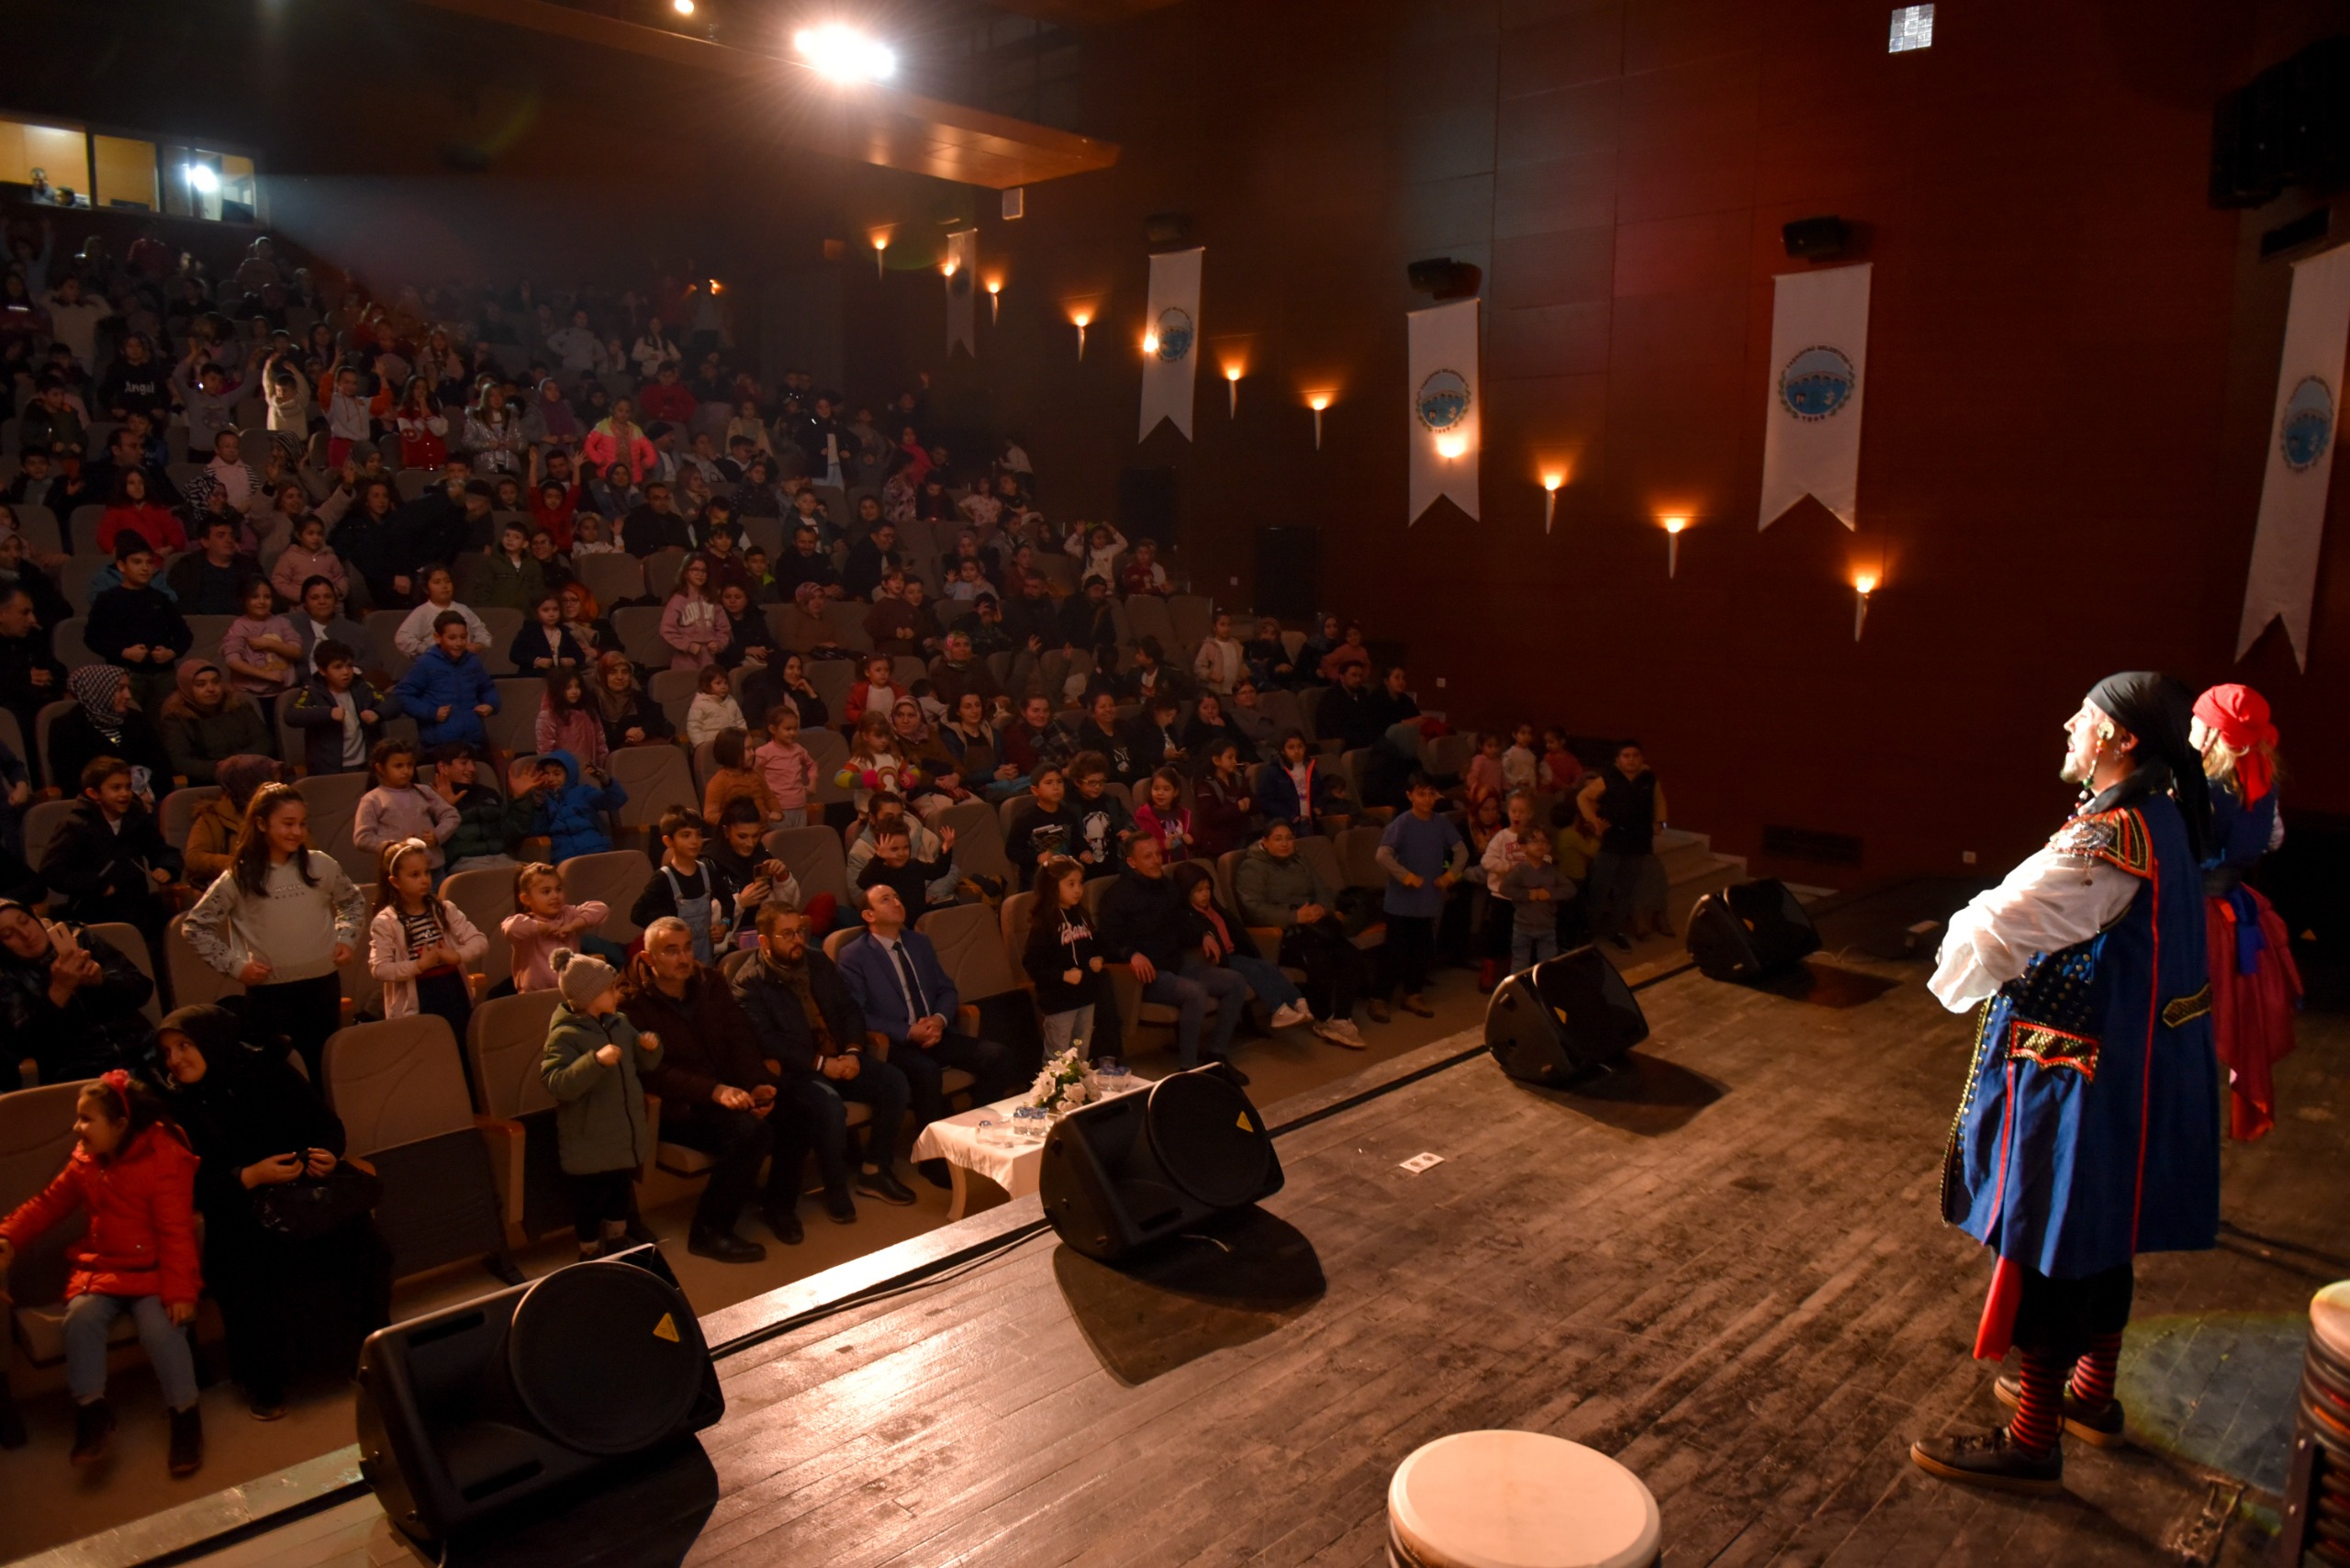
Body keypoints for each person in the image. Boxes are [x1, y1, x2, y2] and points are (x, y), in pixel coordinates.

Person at [1909, 673, 2220, 1495]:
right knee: (2102, 1239)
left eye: (2084, 717)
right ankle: (2091, 1396)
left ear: (2120, 740)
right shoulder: (2167, 821)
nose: (2067, 724)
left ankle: (2033, 1440)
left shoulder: (2107, 841)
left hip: (2078, 1079)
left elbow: (1997, 926)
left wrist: (1958, 946)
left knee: (2048, 1252)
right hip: (2135, 1074)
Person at [148, 1004, 390, 1421]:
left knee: (364, 1246)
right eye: (168, 1052)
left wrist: (326, 1156)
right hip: (239, 1208)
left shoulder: (268, 1073)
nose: (175, 1059)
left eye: (185, 1045)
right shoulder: (177, 1108)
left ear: (212, 1042)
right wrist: (249, 1176)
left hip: (305, 1195)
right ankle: (266, 1380)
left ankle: (365, 1355)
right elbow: (189, 1187)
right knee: (254, 1269)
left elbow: (328, 1127)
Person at [0, 1072, 205, 1475]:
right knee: (81, 1319)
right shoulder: (86, 1159)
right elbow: (47, 1205)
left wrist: (181, 1291)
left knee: (162, 1329)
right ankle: (92, 1412)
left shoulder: (164, 1160)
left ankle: (185, 1416)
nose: (76, 1128)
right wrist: (6, 1235)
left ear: (120, 1126)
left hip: (153, 1271)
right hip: (103, 1265)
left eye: (86, 1119)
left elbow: (176, 1231)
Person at [623, 917, 807, 1257]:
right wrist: (714, 1091)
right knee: (749, 1133)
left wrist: (758, 1084)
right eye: (671, 951)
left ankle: (778, 1206)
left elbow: (740, 1037)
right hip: (679, 1107)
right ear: (649, 958)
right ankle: (709, 1231)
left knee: (795, 1107)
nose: (683, 958)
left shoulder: (709, 983)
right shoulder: (632, 1003)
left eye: (688, 948)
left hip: (729, 1092)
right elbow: (653, 1074)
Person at [731, 901, 918, 1212]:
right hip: (796, 1072)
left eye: (801, 931)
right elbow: (767, 1041)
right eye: (787, 934)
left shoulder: (817, 962)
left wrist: (854, 1052)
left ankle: (874, 1169)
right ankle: (835, 1187)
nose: (798, 940)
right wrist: (821, 1064)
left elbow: (848, 1009)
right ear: (764, 941)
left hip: (839, 1056)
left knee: (894, 1081)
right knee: (828, 1105)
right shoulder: (749, 983)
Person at [182, 783, 364, 1079]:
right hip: (271, 995)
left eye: (302, 824)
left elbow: (353, 902)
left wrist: (346, 938)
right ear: (262, 824)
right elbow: (196, 927)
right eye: (288, 824)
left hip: (322, 985)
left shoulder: (321, 865)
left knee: (323, 1065)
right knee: (285, 1072)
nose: (296, 832)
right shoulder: (240, 876)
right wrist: (236, 966)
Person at [2189, 683, 2300, 1141]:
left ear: (2214, 734)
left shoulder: (2200, 789)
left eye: (2197, 721)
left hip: (2196, 919)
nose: (2190, 728)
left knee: (2184, 1033)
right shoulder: (2262, 781)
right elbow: (2272, 839)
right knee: (2212, 1036)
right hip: (2235, 914)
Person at [836, 881, 1019, 1156]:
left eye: (897, 896)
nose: (897, 902)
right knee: (926, 1072)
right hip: (896, 1043)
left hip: (935, 1031)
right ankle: (933, 1157)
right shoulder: (855, 955)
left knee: (998, 1056)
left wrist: (939, 1019)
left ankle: (973, 1132)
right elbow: (858, 1014)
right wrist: (909, 1031)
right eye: (886, 899)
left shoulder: (918, 942)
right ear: (868, 915)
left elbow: (946, 988)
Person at [542, 948, 661, 1260]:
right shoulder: (565, 1036)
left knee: (618, 1194)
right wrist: (595, 1061)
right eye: (610, 989)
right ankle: (590, 1249)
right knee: (589, 1203)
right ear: (590, 996)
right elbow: (557, 1083)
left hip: (620, 1135)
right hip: (588, 1142)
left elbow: (643, 1063)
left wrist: (648, 1047)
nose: (617, 992)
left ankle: (618, 1239)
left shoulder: (619, 1024)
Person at [1096, 834, 1250, 1070]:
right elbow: (1107, 941)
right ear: (1131, 862)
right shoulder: (1117, 895)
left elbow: (1184, 922)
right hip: (1146, 976)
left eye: (1158, 854)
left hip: (1177, 963)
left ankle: (1216, 1054)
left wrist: (1204, 935)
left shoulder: (1167, 887)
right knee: (1195, 992)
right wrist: (1131, 954)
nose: (1157, 860)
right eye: (1148, 856)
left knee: (1236, 981)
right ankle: (1188, 1068)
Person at [0, 901, 159, 1089]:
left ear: (36, 918)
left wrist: (102, 981)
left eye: (25, 921)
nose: (25, 935)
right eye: (8, 935)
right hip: (78, 1073)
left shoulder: (78, 937)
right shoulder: (6, 976)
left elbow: (141, 989)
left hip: (142, 1052)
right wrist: (59, 990)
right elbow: (26, 1044)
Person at [42, 756, 182, 944]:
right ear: (93, 793)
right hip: (93, 912)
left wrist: (167, 867)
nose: (125, 794)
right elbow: (52, 872)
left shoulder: (136, 819)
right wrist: (95, 884)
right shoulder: (75, 826)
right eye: (116, 788)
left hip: (137, 907)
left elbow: (162, 850)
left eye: (128, 787)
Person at [370, 839, 487, 1040]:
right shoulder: (386, 921)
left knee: (459, 1045)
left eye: (427, 872)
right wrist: (418, 965)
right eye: (415, 875)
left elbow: (480, 942)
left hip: (452, 990)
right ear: (395, 882)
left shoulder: (444, 909)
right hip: (418, 999)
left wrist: (456, 956)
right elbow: (379, 968)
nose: (424, 879)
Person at [1375, 774, 1467, 1018]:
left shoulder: (1441, 823)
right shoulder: (1402, 824)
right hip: (1401, 903)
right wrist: (1405, 876)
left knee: (1422, 951)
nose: (1427, 799)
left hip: (1427, 901)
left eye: (1430, 794)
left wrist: (1450, 876)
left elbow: (1461, 852)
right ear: (1410, 796)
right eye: (1421, 794)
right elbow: (1382, 855)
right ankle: (1379, 997)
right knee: (1394, 953)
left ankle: (1413, 995)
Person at [86, 533, 193, 716]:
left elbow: (185, 635)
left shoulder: (160, 598)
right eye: (137, 562)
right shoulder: (108, 599)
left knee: (167, 723)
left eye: (149, 562)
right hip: (125, 672)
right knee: (127, 721)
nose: (144, 568)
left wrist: (171, 652)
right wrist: (124, 652)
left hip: (162, 673)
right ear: (121, 566)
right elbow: (92, 638)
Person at [1579, 743, 1670, 948]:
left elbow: (1659, 801)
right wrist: (1594, 821)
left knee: (1625, 890)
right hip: (1613, 840)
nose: (1631, 760)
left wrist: (1660, 822)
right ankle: (1590, 929)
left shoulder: (1649, 779)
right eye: (1626, 756)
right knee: (1599, 887)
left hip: (1638, 841)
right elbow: (1583, 797)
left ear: (1641, 758)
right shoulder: (1609, 778)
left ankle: (1616, 930)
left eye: (1635, 755)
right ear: (1618, 760)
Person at [1023, 857, 1109, 1057]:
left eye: (1080, 883)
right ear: (1053, 886)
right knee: (1058, 1055)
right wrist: (1062, 975)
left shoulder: (1081, 914)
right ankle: (1056, 1089)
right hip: (1059, 1001)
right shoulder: (1044, 922)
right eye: (1071, 884)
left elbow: (1098, 943)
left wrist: (1099, 958)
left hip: (1086, 996)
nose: (1078, 889)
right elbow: (1032, 963)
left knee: (1081, 1050)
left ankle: (1079, 1087)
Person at [48, 664, 173, 799]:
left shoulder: (137, 720)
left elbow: (161, 767)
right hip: (95, 806)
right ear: (97, 691)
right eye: (120, 689)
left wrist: (146, 793)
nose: (128, 695)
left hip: (143, 802)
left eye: (127, 688)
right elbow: (71, 781)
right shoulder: (66, 727)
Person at [632, 807, 733, 965]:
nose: (694, 841)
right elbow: (637, 913)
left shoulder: (707, 871)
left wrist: (724, 926)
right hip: (675, 962)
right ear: (668, 841)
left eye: (698, 835)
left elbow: (728, 901)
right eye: (686, 835)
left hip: (705, 961)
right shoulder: (663, 878)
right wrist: (668, 928)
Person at [391, 611, 499, 752]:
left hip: (473, 743)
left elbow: (487, 688)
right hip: (440, 746)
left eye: (463, 637)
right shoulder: (426, 664)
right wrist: (431, 712)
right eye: (452, 638)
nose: (459, 643)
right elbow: (402, 695)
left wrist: (491, 705)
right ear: (437, 637)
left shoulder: (473, 662)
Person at [160, 658, 276, 786]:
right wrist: (223, 768)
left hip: (252, 777)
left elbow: (264, 743)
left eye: (215, 682)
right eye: (201, 684)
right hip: (209, 785)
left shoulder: (239, 706)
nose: (211, 689)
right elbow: (181, 762)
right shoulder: (175, 718)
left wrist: (236, 764)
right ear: (187, 688)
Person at [503, 862, 614, 993]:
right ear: (526, 899)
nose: (555, 896)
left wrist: (572, 926)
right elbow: (510, 928)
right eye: (546, 892)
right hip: (534, 995)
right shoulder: (526, 922)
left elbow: (601, 909)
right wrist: (543, 928)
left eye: (559, 889)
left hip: (570, 992)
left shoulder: (569, 914)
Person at [354, 739, 460, 872]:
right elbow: (362, 838)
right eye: (398, 766)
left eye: (409, 765)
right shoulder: (372, 799)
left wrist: (437, 835)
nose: (406, 771)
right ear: (380, 768)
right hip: (398, 869)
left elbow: (451, 815)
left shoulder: (423, 791)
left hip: (431, 866)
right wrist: (396, 845)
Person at [284, 640, 386, 775]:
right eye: (338, 667)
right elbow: (292, 715)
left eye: (349, 666)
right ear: (322, 670)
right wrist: (328, 713)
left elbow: (392, 702)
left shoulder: (361, 686)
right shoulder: (312, 691)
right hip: (329, 770)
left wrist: (377, 712)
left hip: (365, 765)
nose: (346, 672)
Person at [185, 754, 285, 886]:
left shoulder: (283, 810)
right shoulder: (213, 816)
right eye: (271, 782)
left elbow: (307, 851)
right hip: (235, 889)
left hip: (283, 884)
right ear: (250, 784)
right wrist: (238, 864)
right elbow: (194, 858)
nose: (278, 787)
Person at [433, 745, 532, 873]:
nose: (472, 769)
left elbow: (511, 834)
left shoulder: (488, 793)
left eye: (474, 764)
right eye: (464, 763)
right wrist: (445, 808)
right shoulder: (432, 797)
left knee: (539, 876)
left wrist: (520, 799)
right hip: (464, 863)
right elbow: (433, 843)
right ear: (443, 767)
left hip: (502, 858)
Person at [525, 749, 628, 861]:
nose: (551, 779)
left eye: (557, 774)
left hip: (595, 849)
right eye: (546, 774)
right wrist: (538, 805)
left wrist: (606, 781)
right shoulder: (544, 800)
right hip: (564, 856)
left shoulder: (583, 792)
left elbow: (617, 800)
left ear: (569, 774)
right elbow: (536, 832)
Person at [1499, 828, 1570, 972]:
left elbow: (1570, 889)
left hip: (1547, 926)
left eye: (1544, 842)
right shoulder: (1519, 870)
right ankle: (1518, 993)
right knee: (1520, 964)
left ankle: (1544, 992)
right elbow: (1504, 888)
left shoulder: (1552, 871)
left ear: (1549, 847)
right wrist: (1527, 894)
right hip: (1523, 926)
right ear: (1523, 846)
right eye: (1535, 841)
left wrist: (1550, 893)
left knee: (1547, 966)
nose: (1540, 845)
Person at [220, 577, 302, 702]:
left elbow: (297, 652)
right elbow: (232, 661)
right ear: (244, 600)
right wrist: (266, 675)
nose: (262, 602)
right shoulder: (240, 626)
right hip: (251, 695)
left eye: (267, 597)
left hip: (284, 692)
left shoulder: (282, 622)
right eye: (255, 597)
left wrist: (269, 644)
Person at [1258, 729, 1349, 836]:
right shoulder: (1273, 772)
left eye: (1300, 746)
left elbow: (1320, 791)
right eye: (1291, 747)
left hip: (1311, 821)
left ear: (1305, 748)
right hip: (1287, 825)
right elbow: (1267, 802)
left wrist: (1318, 806)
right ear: (1283, 750)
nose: (1296, 751)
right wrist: (1291, 816)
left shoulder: (1310, 768)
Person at [592, 650, 674, 751]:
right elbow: (596, 734)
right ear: (603, 675)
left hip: (639, 752)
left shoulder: (637, 697)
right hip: (608, 756)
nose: (620, 677)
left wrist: (643, 731)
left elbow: (656, 718)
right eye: (613, 672)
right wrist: (624, 733)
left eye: (625, 672)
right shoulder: (592, 700)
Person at [754, 705, 820, 829]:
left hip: (800, 805)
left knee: (798, 840)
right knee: (782, 842)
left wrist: (813, 782)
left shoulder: (798, 750)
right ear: (773, 729)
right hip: (778, 807)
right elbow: (753, 774)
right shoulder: (763, 752)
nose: (793, 733)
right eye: (788, 729)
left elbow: (812, 765)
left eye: (795, 729)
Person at [1133, 767, 1194, 862]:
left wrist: (1190, 840)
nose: (1160, 793)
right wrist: (1163, 845)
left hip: (1183, 861)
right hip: (1159, 865)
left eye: (1166, 789)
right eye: (1156, 788)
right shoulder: (1144, 815)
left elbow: (1190, 837)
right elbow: (1142, 843)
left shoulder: (1183, 814)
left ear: (1175, 792)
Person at [687, 662, 745, 747]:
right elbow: (694, 728)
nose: (723, 686)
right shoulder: (699, 704)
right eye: (718, 683)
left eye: (725, 683)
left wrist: (743, 740)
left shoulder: (731, 701)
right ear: (706, 685)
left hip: (733, 745)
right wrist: (701, 745)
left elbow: (740, 722)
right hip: (710, 746)